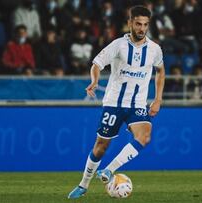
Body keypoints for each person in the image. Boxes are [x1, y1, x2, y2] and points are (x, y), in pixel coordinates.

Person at [68, 5, 165, 199]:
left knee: (144, 137)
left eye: (145, 25)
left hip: (137, 104)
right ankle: (83, 184)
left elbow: (160, 71)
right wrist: (95, 81)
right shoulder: (118, 45)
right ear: (130, 23)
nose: (141, 28)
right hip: (114, 103)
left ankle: (108, 171)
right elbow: (96, 64)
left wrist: (158, 98)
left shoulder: (155, 49)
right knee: (100, 147)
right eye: (138, 24)